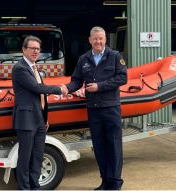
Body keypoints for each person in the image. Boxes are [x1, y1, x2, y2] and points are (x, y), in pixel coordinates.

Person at [62, 26, 127, 190]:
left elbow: (122, 78)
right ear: (90, 40)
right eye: (95, 38)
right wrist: (65, 89)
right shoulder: (83, 59)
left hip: (111, 108)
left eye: (101, 38)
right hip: (94, 109)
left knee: (114, 146)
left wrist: (100, 86)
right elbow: (76, 80)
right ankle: (105, 181)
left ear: (105, 39)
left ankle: (115, 183)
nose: (98, 41)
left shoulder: (114, 56)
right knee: (99, 147)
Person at [12, 35, 67, 190]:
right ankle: (24, 188)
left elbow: (40, 97)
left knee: (37, 156)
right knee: (25, 158)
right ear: (24, 50)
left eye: (38, 49)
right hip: (26, 120)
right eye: (32, 48)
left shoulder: (34, 68)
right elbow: (37, 89)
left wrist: (44, 117)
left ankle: (35, 187)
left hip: (38, 119)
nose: (36, 51)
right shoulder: (20, 68)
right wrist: (59, 89)